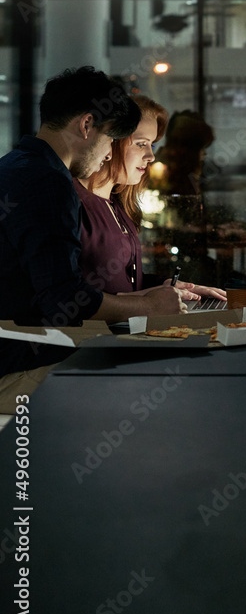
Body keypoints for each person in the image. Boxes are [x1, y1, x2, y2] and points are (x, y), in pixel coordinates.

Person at [0, 67, 185, 386]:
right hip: (26, 369)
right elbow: (64, 298)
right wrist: (148, 304)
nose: (109, 152)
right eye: (111, 138)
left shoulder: (15, 165)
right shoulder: (48, 182)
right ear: (87, 124)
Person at [74, 94, 226, 304]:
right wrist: (148, 299)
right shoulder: (72, 201)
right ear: (112, 141)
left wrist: (169, 287)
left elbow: (124, 284)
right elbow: (68, 297)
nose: (151, 156)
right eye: (141, 144)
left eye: (152, 145)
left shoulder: (118, 203)